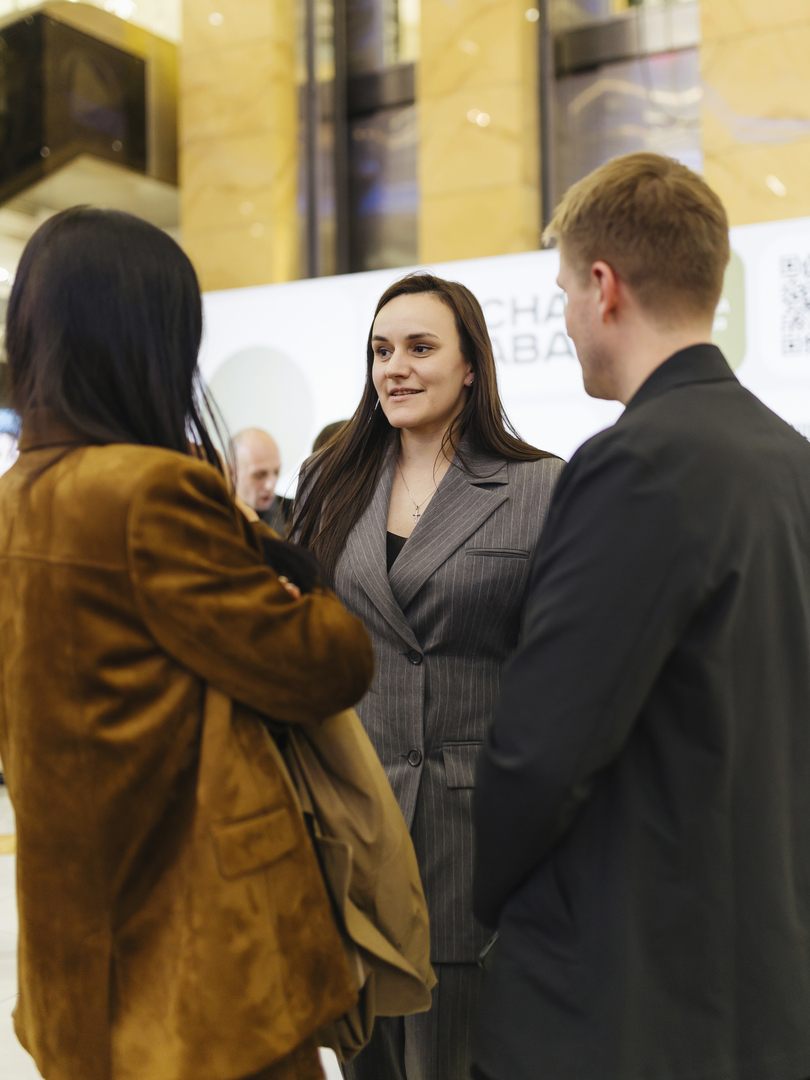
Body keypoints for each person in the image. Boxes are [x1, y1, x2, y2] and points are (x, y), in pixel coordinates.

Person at [0, 206, 375, 1080]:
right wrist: (298, 589)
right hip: (202, 954)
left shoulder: (16, 497)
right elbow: (326, 665)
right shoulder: (151, 491)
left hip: (77, 953)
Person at [472, 152, 810, 1080]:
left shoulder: (637, 462)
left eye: (564, 293)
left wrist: (484, 897)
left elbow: (544, 748)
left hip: (627, 994)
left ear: (603, 285)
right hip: (757, 983)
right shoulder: (790, 460)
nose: (568, 319)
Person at [292, 272, 564, 1080]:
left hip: (475, 840)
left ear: (471, 365)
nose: (395, 368)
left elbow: (558, 673)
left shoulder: (538, 486)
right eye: (381, 350)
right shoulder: (331, 481)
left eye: (420, 347)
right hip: (355, 827)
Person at [232, 426, 292, 533]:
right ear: (231, 472)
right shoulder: (216, 519)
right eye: (259, 475)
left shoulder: (296, 513)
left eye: (276, 472)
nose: (270, 485)